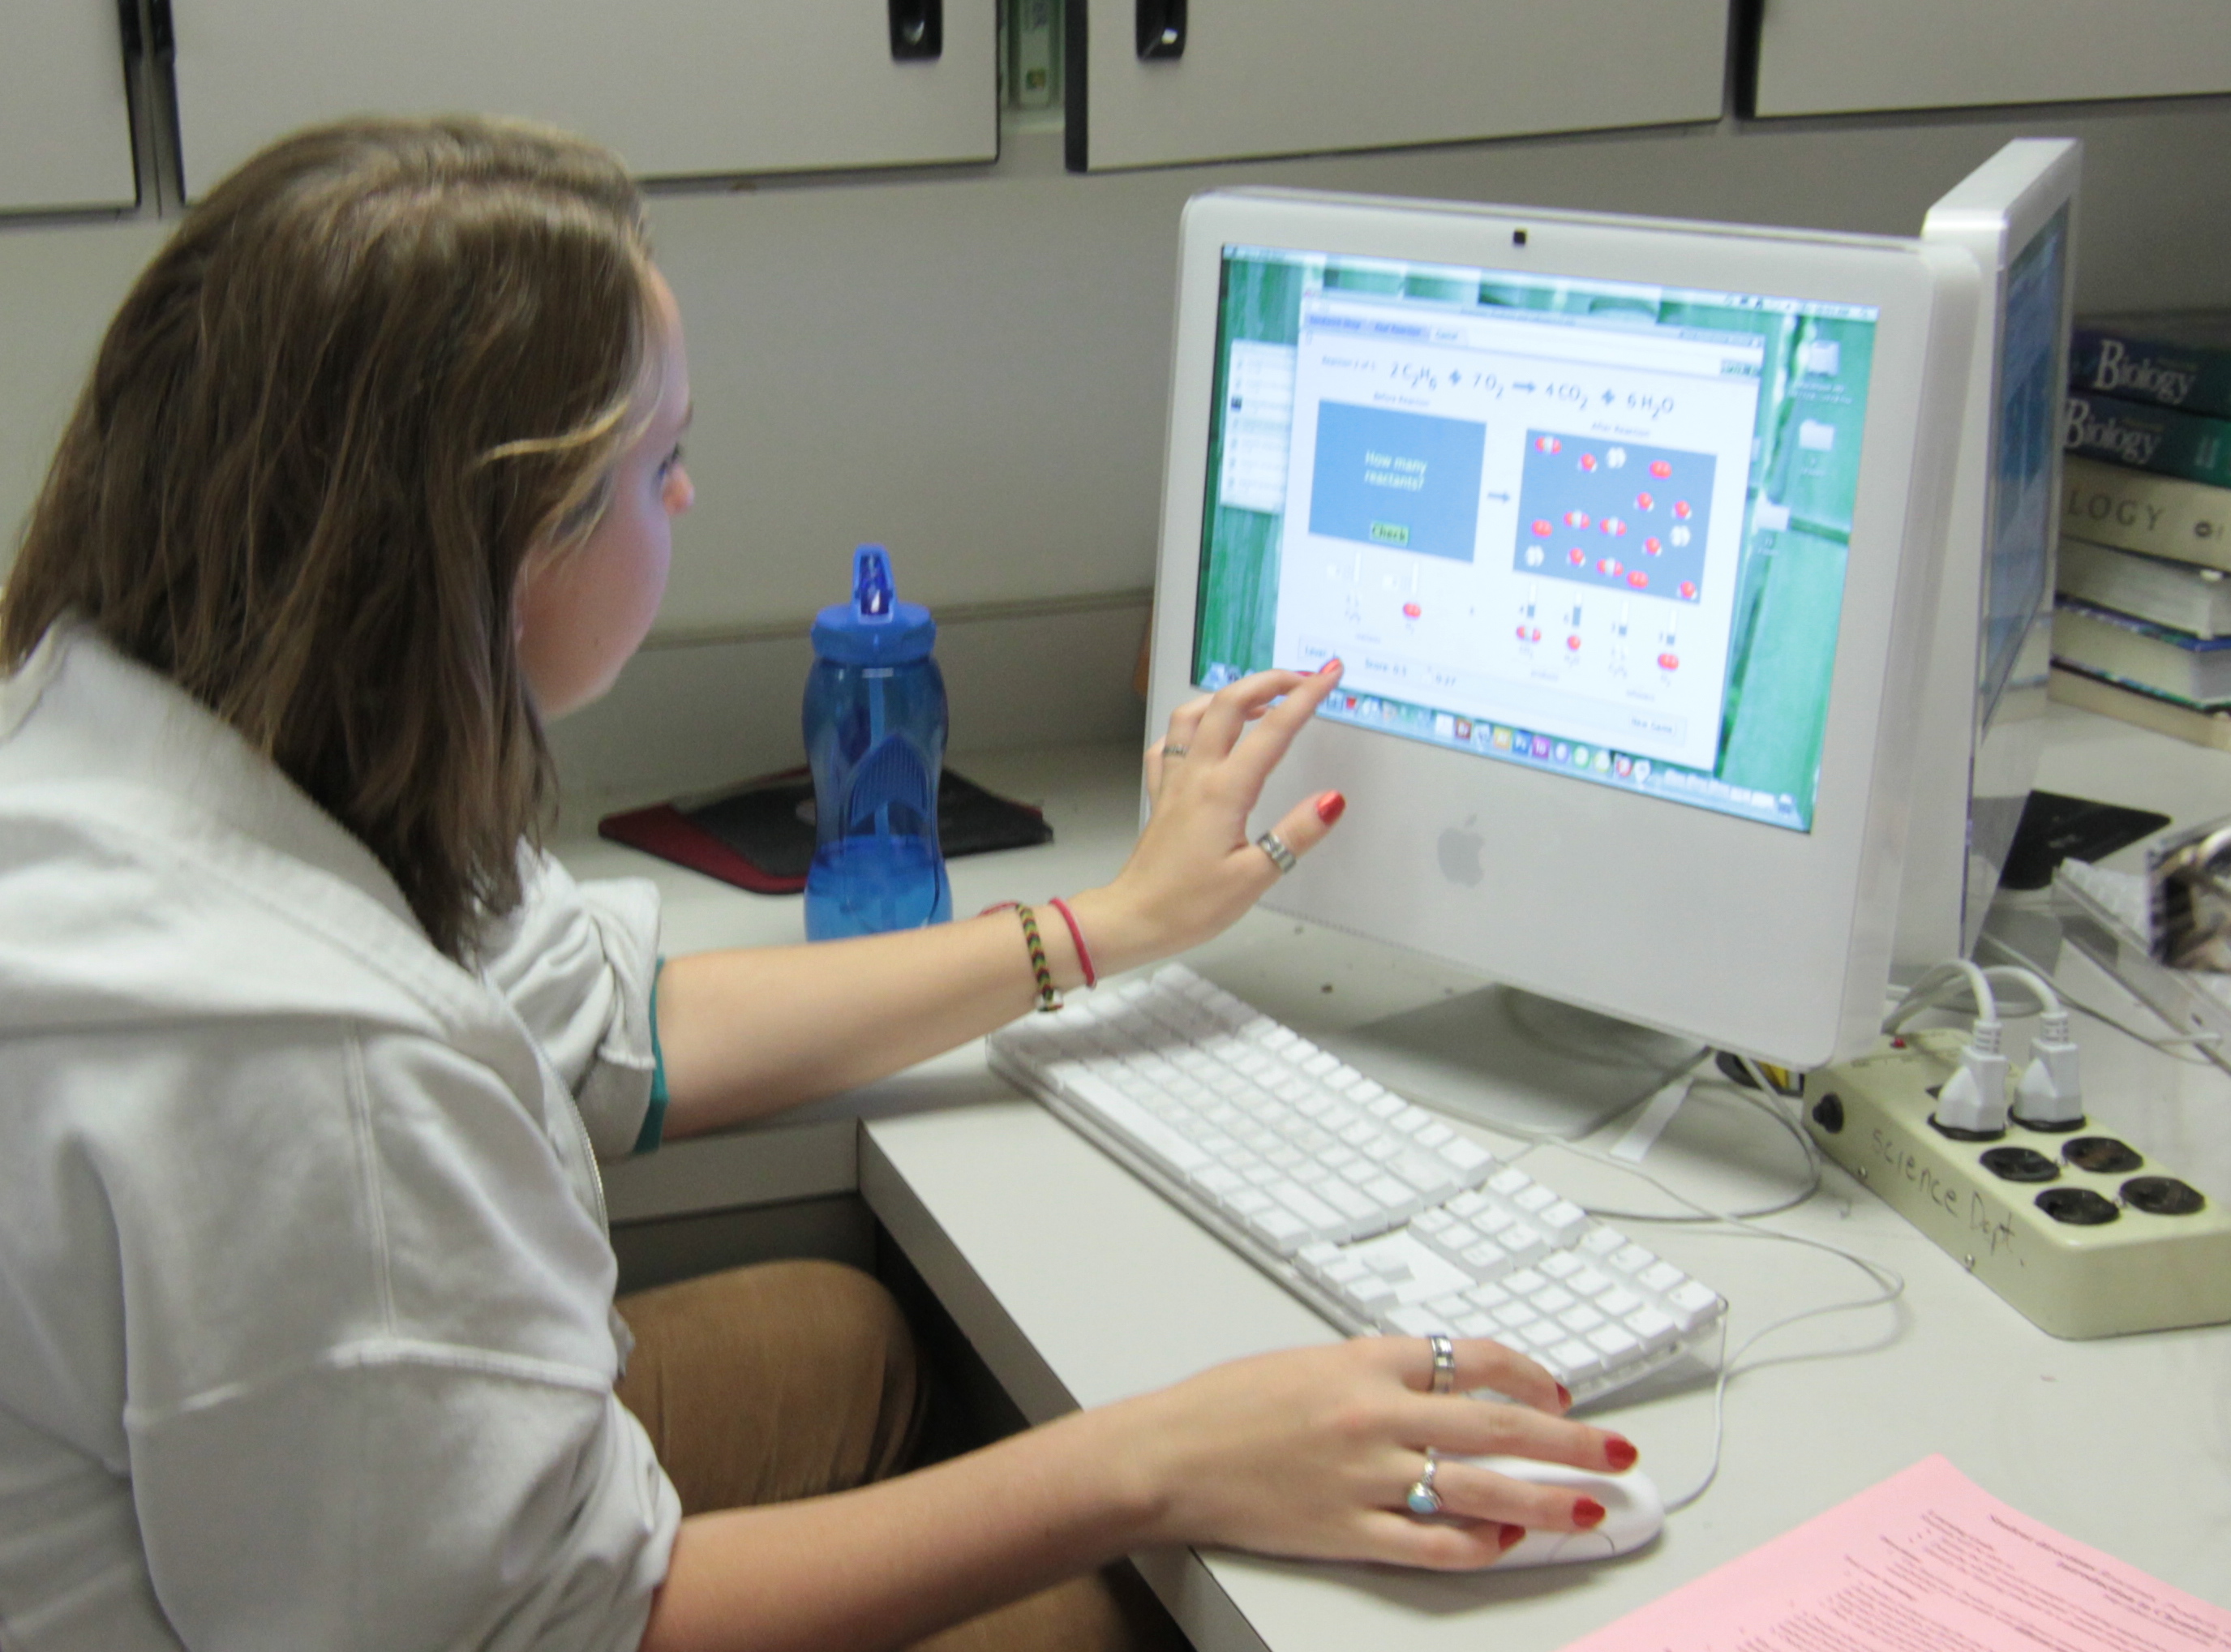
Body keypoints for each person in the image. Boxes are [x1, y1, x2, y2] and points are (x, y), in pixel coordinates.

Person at [0, 117, 1638, 1652]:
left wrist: (1100, 927)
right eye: (660, 464)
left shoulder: (180, 721)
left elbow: (616, 1028)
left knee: (840, 1333)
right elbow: (565, 1632)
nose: (690, 498)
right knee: (1105, 1612)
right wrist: (1165, 1457)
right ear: (496, 542)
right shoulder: (300, 1054)